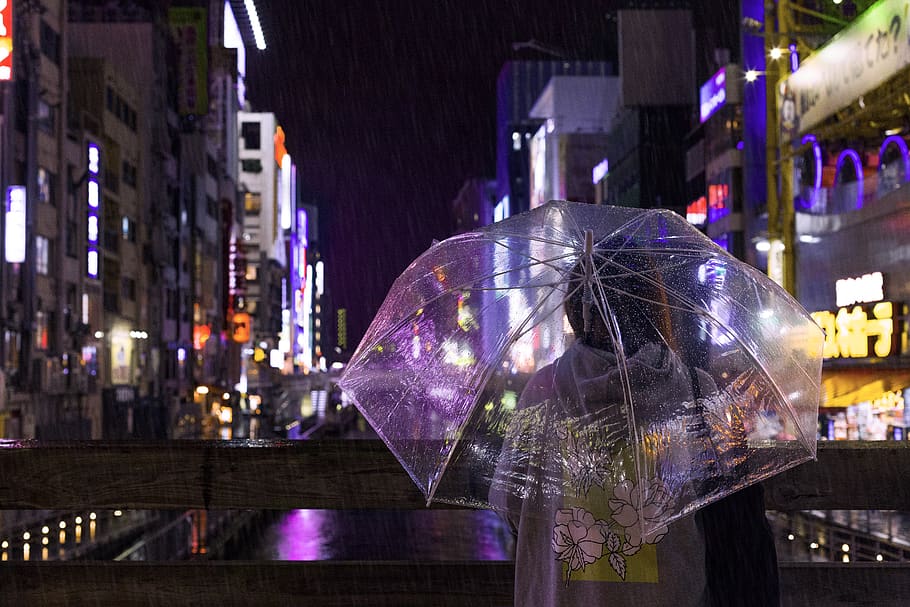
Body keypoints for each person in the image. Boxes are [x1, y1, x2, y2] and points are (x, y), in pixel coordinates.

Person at [491, 246, 779, 607]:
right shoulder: (695, 389)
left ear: (578, 311)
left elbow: (509, 503)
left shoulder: (542, 392)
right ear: (655, 308)